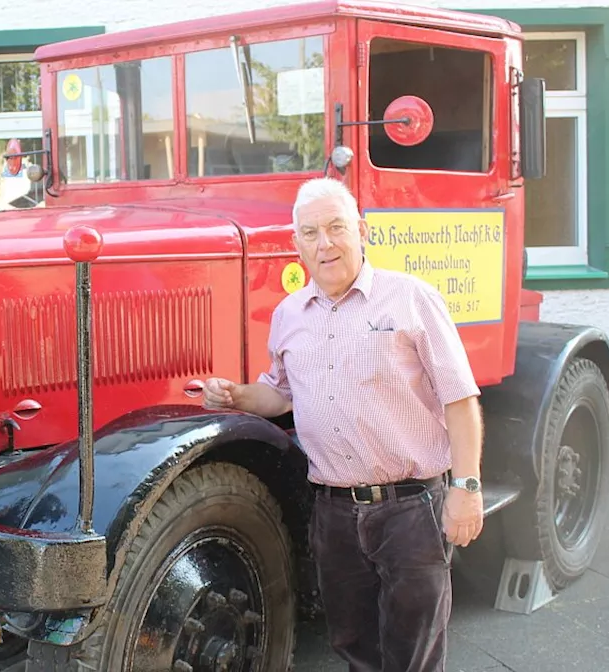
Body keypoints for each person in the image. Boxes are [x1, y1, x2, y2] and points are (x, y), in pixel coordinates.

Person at [202, 177, 484, 672]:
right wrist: (238, 395)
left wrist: (467, 488)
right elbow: (282, 394)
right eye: (310, 232)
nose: (324, 243)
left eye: (336, 228)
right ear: (297, 244)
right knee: (355, 651)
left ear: (362, 231)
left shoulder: (411, 299)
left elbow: (460, 400)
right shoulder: (290, 314)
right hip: (333, 515)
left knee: (412, 656)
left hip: (411, 508)